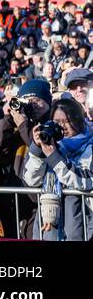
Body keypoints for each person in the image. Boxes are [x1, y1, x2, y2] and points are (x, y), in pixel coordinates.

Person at [21, 98, 93, 241]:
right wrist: (38, 151)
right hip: (50, 224)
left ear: (78, 120)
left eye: (66, 121)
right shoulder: (50, 146)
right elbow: (31, 180)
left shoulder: (89, 147)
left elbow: (86, 180)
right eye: (57, 122)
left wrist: (54, 157)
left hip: (83, 222)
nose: (62, 127)